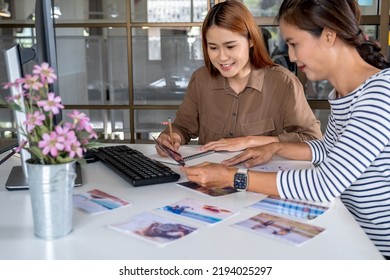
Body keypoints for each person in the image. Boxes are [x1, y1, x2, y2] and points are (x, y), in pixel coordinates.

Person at [181, 0, 390, 259]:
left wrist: (232, 177)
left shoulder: (380, 94)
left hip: (376, 249)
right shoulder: (344, 93)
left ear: (328, 35)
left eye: (294, 44)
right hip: (348, 232)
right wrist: (275, 146)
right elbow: (328, 149)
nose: (291, 56)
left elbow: (324, 184)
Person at [156, 0, 321, 156]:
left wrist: (250, 141)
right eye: (213, 47)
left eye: (230, 46)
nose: (222, 57)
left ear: (250, 40)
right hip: (208, 178)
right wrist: (172, 137)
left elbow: (313, 140)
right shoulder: (201, 79)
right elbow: (182, 127)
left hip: (261, 180)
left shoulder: (284, 83)